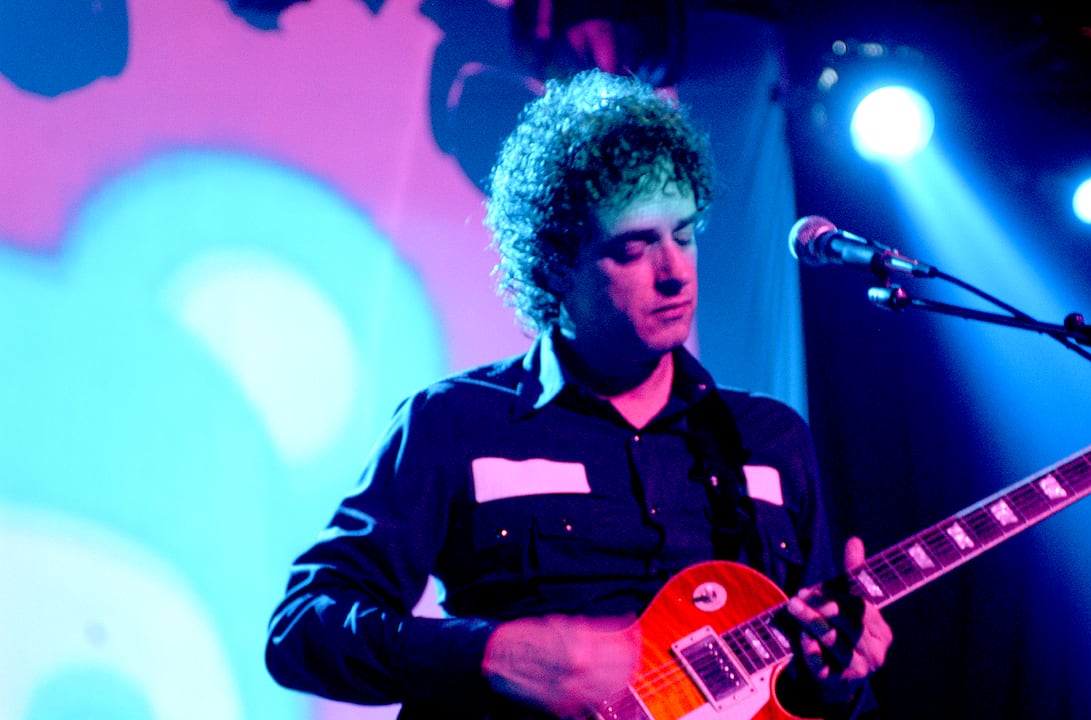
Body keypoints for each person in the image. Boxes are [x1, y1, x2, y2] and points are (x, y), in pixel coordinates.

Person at [264, 68, 892, 720]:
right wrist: (489, 652)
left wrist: (837, 676)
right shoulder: (455, 422)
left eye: (683, 235)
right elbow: (303, 629)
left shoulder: (768, 438)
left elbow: (820, 688)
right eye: (634, 247)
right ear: (556, 266)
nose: (675, 272)